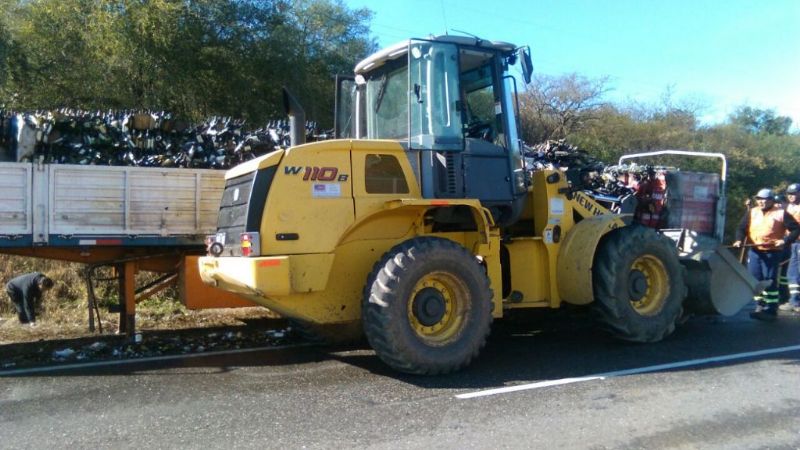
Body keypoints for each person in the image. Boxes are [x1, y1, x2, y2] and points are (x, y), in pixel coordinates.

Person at [734, 188, 800, 320]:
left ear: (771, 200)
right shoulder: (753, 212)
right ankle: (760, 304)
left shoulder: (781, 213)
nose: (761, 202)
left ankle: (771, 309)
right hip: (755, 251)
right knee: (755, 278)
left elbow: (796, 230)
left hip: (772, 252)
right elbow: (742, 227)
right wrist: (739, 240)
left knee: (769, 280)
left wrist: (785, 240)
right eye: (758, 199)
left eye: (764, 200)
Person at [781, 183, 800, 312]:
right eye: (789, 194)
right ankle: (794, 300)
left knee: (795, 272)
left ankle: (795, 301)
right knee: (791, 273)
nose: (791, 196)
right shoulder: (788, 207)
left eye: (794, 193)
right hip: (791, 243)